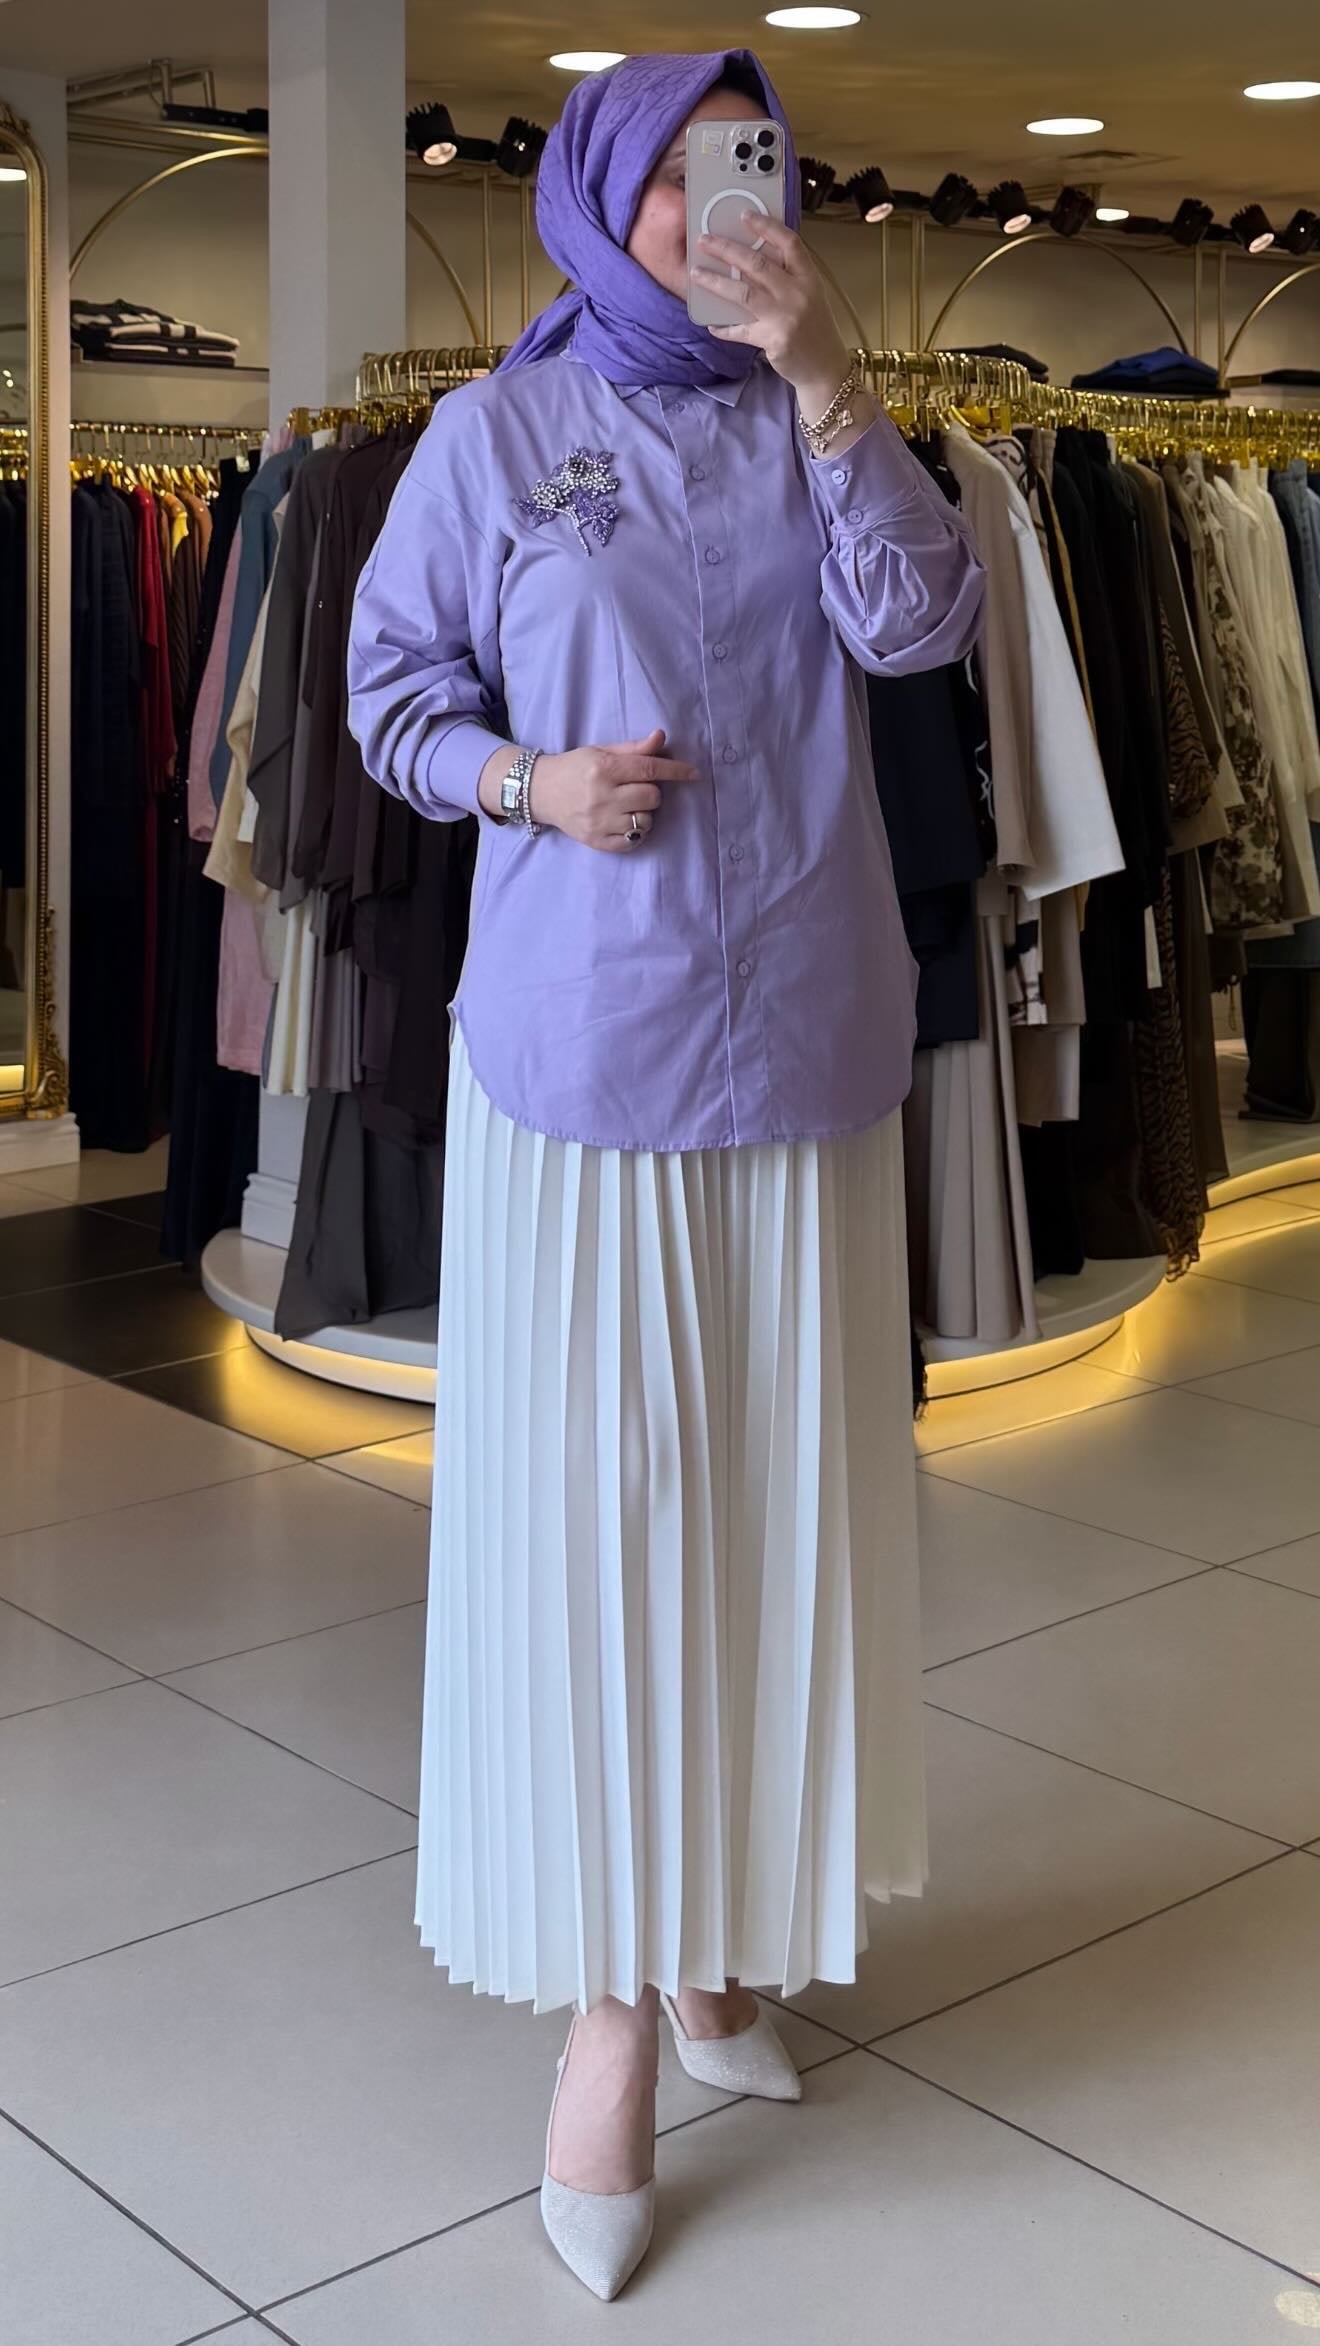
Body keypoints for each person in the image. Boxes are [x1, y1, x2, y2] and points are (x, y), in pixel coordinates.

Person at [349, 47, 984, 2301]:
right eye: (689, 176)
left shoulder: (823, 416)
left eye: (762, 166)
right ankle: (611, 2012)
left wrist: (830, 380)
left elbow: (920, 630)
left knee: (768, 1521)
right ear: (602, 195)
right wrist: (529, 782)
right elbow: (388, 698)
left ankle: (728, 1939)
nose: (729, 208)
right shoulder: (494, 435)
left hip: (802, 1052)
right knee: (612, 1534)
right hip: (587, 1070)